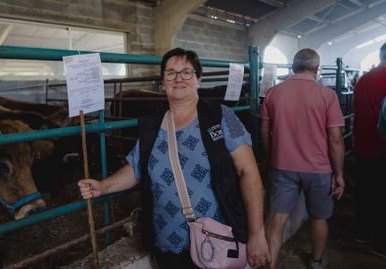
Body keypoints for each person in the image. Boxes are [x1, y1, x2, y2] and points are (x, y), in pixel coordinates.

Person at [78, 47, 270, 269]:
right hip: (167, 241)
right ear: (163, 81)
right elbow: (135, 168)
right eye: (171, 73)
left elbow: (248, 172)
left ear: (198, 78)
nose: (178, 78)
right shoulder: (151, 125)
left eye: (186, 72)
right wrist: (103, 186)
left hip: (216, 239)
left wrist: (257, 233)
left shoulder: (221, 117)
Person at [260, 48, 345, 269]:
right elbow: (335, 139)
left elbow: (264, 133)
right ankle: (316, 263)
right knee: (319, 218)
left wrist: (271, 159)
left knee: (277, 217)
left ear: (292, 67)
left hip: (282, 166)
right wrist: (339, 174)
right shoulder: (328, 95)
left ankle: (270, 264)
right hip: (319, 168)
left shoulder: (273, 93)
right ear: (317, 70)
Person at [352, 42, 386, 258]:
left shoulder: (364, 78)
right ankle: (381, 244)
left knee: (365, 190)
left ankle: (362, 233)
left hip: (362, 143)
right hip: (382, 146)